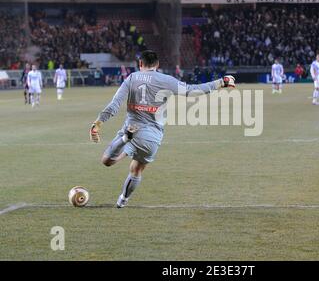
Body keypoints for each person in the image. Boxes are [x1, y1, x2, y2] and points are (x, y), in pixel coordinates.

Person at [89, 50, 236, 208]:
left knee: (106, 161)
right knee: (136, 169)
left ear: (140, 64)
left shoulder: (131, 78)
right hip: (152, 137)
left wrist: (98, 123)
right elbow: (193, 90)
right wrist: (221, 82)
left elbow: (115, 104)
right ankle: (122, 200)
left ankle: (125, 139)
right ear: (157, 65)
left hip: (132, 127)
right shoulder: (166, 80)